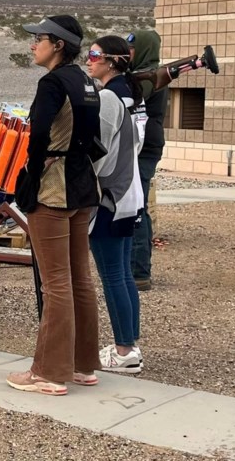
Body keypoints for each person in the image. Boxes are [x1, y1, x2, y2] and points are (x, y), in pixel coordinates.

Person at [6, 15, 103, 396]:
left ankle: (47, 371)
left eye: (40, 39)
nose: (34, 45)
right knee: (80, 277)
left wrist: (35, 164)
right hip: (82, 185)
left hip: (54, 187)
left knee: (56, 282)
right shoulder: (86, 80)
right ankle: (82, 365)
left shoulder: (51, 83)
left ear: (58, 45)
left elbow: (39, 132)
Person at [85, 35, 147, 374]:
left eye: (94, 54)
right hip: (129, 191)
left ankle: (124, 350)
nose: (89, 60)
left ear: (111, 60)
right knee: (122, 274)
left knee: (112, 274)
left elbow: (101, 149)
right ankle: (130, 345)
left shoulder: (109, 96)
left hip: (113, 194)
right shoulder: (132, 92)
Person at [126, 30, 167, 291]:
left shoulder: (152, 76)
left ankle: (139, 272)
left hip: (143, 149)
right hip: (141, 147)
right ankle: (136, 268)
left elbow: (131, 99)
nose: (127, 54)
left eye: (131, 49)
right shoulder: (146, 74)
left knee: (137, 209)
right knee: (135, 206)